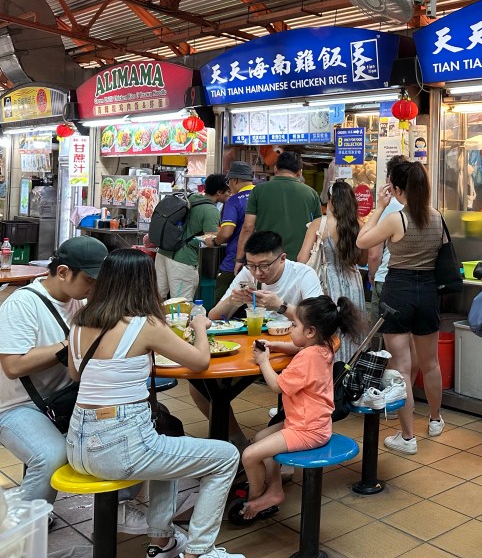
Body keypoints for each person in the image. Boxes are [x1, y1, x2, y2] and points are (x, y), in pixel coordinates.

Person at [66, 249, 242, 558]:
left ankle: (162, 543)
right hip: (119, 448)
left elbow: (75, 373)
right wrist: (200, 326)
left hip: (78, 446)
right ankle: (199, 551)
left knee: (169, 442)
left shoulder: (80, 321)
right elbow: (200, 361)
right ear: (145, 283)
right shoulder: (145, 324)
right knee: (226, 456)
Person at [0, 237, 107, 506]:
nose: (94, 288)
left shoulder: (78, 301)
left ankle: (121, 509)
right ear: (62, 272)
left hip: (64, 399)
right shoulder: (22, 304)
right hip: (17, 407)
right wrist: (70, 344)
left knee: (133, 431)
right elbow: (13, 366)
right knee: (51, 455)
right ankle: (26, 523)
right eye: (90, 280)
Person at [240, 294, 361, 517]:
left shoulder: (307, 359)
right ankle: (274, 489)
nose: (291, 328)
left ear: (310, 332)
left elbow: (276, 386)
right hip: (314, 424)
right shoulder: (323, 347)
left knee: (249, 455)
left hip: (307, 430)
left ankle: (256, 499)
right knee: (260, 437)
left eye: (294, 325)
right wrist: (274, 345)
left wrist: (264, 361)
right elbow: (298, 348)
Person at [199, 231, 322, 446]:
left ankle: (284, 441)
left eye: (264, 266)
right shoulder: (248, 275)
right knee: (200, 386)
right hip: (257, 348)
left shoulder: (303, 274)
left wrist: (280, 306)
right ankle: (237, 439)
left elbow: (318, 322)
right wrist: (232, 301)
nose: (257, 272)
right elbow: (214, 317)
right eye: (251, 265)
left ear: (282, 258)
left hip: (292, 349)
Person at [357, 160, 446, 453]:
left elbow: (362, 241)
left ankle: (407, 438)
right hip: (428, 291)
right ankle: (435, 419)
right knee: (431, 363)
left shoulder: (397, 219)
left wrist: (380, 207)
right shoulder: (437, 217)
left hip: (398, 292)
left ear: (396, 189)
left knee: (402, 369)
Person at [297, 180, 367, 362]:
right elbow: (363, 260)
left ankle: (330, 368)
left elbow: (301, 259)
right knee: (352, 330)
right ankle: (352, 369)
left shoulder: (319, 224)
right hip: (353, 283)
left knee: (330, 329)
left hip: (328, 283)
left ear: (330, 201)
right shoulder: (359, 225)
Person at [235, 151, 322, 267]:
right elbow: (318, 229)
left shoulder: (258, 191)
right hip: (299, 262)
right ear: (300, 171)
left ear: (275, 168)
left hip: (265, 260)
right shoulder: (311, 193)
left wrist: (239, 259)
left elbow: (248, 227)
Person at [155, 175, 230, 302]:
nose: (230, 194)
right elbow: (210, 240)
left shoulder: (190, 198)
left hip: (163, 252)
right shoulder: (211, 210)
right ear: (219, 192)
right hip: (182, 259)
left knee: (158, 297)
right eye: (228, 191)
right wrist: (227, 235)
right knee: (181, 302)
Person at [204, 162, 255, 304]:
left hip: (235, 261)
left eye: (229, 181)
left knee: (224, 301)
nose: (229, 186)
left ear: (235, 180)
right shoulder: (263, 196)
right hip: (261, 261)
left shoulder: (234, 200)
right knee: (252, 302)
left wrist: (214, 241)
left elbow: (226, 232)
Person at [366, 155, 408, 325]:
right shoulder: (420, 206)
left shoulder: (388, 207)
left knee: (381, 334)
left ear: (390, 180)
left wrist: (373, 274)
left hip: (386, 279)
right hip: (411, 281)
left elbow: (373, 254)